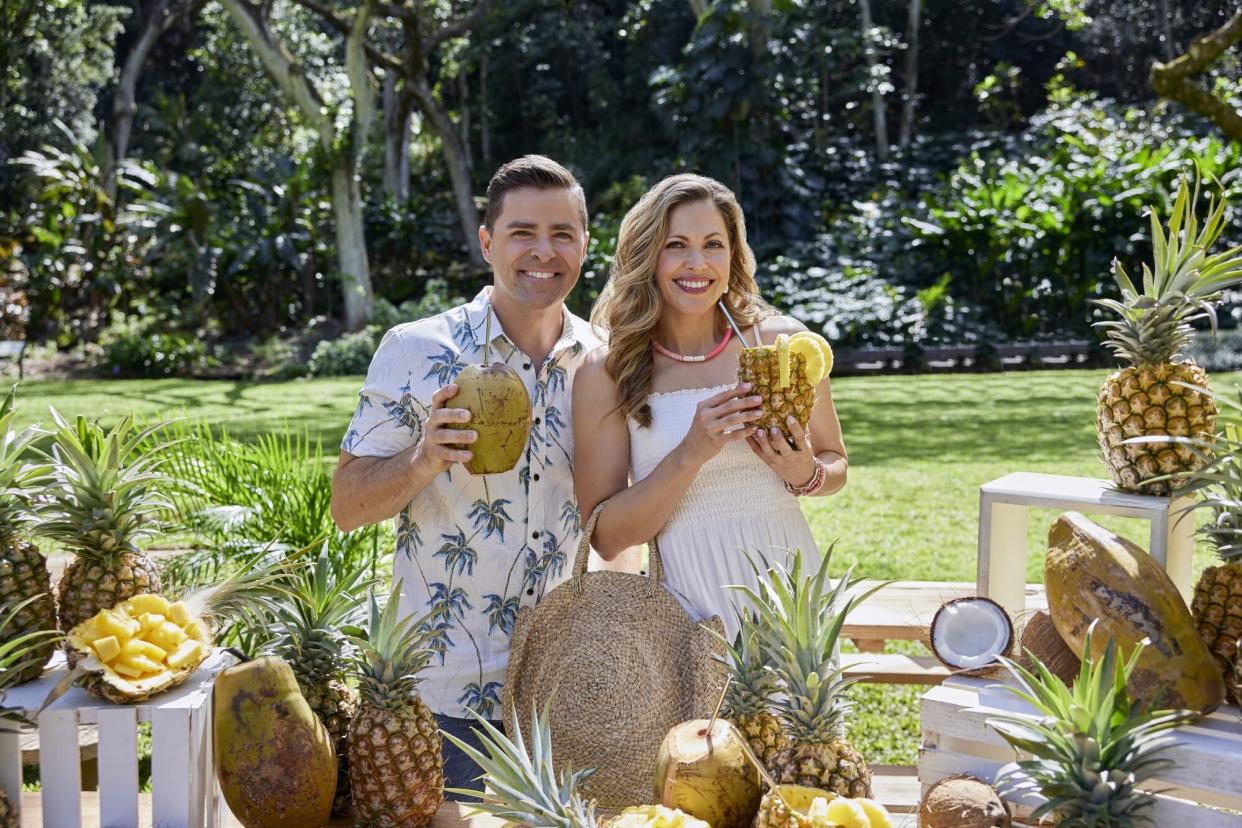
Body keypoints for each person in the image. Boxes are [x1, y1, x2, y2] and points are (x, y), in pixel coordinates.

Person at [330, 155, 603, 799]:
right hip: (445, 688)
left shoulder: (604, 360)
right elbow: (347, 505)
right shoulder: (418, 350)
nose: (544, 251)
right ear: (487, 242)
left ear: (584, 245)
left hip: (561, 692)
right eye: (522, 233)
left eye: (562, 233)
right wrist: (423, 458)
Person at [572, 173, 848, 638]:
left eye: (713, 245)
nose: (697, 263)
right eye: (676, 245)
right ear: (648, 256)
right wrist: (690, 452)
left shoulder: (783, 346)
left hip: (791, 591)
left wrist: (804, 472)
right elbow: (606, 534)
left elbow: (834, 463)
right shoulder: (607, 371)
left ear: (733, 255)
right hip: (690, 608)